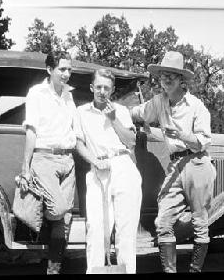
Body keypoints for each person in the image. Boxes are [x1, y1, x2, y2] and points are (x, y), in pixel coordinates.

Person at [131, 51, 216, 273]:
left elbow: (202, 142)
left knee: (200, 223)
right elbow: (140, 112)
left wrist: (180, 135)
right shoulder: (159, 102)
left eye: (171, 75)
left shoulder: (196, 106)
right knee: (163, 221)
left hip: (197, 162)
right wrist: (116, 112)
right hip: (175, 165)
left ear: (182, 80)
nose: (166, 80)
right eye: (163, 76)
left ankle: (195, 270)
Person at [74, 68, 142, 274]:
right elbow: (78, 143)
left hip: (123, 167)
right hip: (97, 169)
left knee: (125, 231)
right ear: (92, 88)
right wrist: (94, 160)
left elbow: (131, 142)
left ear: (112, 90)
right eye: (99, 87)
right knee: (95, 229)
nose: (102, 91)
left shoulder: (120, 111)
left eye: (107, 88)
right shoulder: (81, 112)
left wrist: (113, 119)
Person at [19, 52, 77, 275]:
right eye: (62, 69)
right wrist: (26, 167)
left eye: (69, 69)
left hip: (68, 160)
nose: (66, 74)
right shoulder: (37, 93)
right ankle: (41, 214)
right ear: (49, 70)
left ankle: (54, 269)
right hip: (44, 158)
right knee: (60, 209)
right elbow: (31, 131)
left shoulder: (69, 96)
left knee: (65, 219)